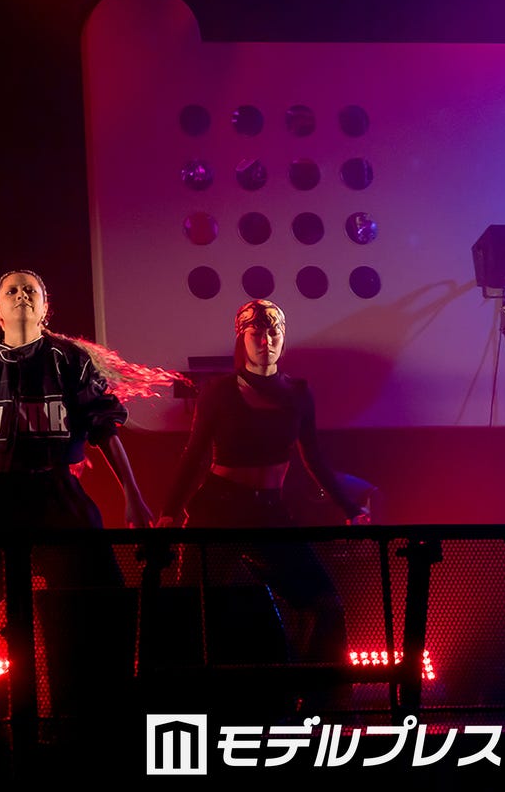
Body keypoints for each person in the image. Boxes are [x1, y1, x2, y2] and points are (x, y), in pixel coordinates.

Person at [0, 269, 155, 716]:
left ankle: (95, 712)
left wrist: (133, 496)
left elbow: (104, 429)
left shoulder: (69, 360)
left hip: (55, 493)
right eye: (12, 290)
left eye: (31, 290)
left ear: (45, 307)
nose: (22, 296)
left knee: (98, 600)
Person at [156, 299, 369, 714]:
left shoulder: (298, 393)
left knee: (323, 602)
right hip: (218, 511)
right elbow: (194, 453)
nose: (266, 340)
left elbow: (314, 457)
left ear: (283, 338)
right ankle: (188, 712)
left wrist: (349, 507)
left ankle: (322, 707)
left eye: (273, 332)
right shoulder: (219, 392)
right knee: (194, 610)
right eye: (256, 332)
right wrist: (169, 510)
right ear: (243, 338)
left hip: (269, 512)